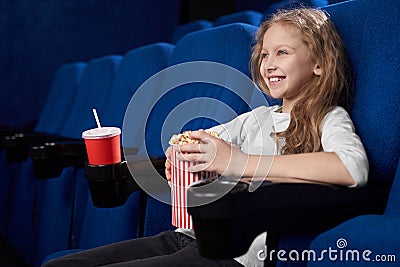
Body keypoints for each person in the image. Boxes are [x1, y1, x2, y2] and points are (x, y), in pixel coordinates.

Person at [43, 7, 368, 267]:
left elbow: (352, 169)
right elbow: (203, 141)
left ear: (319, 65)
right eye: (265, 54)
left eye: (282, 52)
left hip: (234, 253)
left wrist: (240, 162)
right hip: (191, 234)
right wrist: (180, 154)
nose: (268, 63)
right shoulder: (256, 119)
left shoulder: (328, 117)